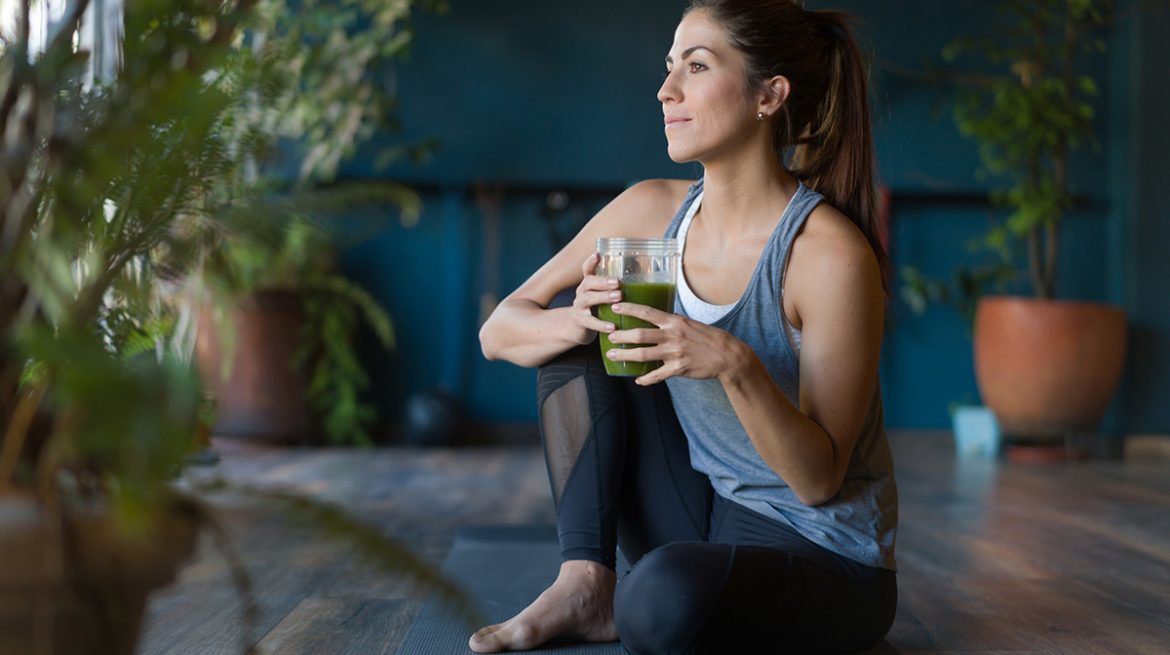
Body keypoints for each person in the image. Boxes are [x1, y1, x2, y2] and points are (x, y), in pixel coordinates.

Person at [472, 0, 897, 652]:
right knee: (578, 345)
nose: (666, 89)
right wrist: (576, 320)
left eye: (695, 67)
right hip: (708, 511)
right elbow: (499, 330)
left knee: (661, 599)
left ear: (768, 95)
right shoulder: (650, 210)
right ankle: (586, 580)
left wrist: (736, 363)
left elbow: (820, 481)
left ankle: (645, 592)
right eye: (671, 66)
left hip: (823, 554)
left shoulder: (825, 255)